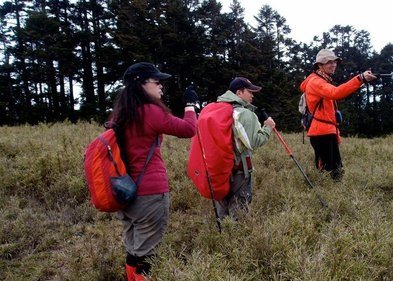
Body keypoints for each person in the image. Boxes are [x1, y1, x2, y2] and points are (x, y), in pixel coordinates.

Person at [110, 62, 198, 280]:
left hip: (124, 191)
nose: (161, 87)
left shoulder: (120, 114)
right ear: (140, 84)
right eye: (156, 82)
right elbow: (188, 129)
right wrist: (190, 105)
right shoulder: (148, 112)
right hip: (149, 194)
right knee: (148, 253)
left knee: (133, 246)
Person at [300, 49, 377, 181]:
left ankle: (330, 196)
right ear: (319, 65)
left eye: (335, 62)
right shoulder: (316, 82)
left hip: (325, 132)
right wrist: (360, 78)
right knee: (331, 173)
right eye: (329, 62)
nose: (333, 64)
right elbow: (336, 93)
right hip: (322, 133)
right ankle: (328, 198)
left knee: (333, 171)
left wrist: (336, 134)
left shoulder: (322, 80)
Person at [215, 77, 276, 220]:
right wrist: (268, 127)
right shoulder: (245, 114)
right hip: (239, 170)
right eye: (250, 91)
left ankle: (222, 239)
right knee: (239, 214)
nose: (252, 95)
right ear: (239, 92)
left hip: (217, 169)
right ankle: (237, 239)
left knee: (222, 214)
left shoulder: (215, 109)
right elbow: (253, 142)